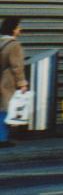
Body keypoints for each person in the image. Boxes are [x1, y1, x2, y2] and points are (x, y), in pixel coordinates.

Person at [0, 17, 29, 148]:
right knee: (5, 109)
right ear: (13, 29)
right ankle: (2, 138)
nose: (20, 29)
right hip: (6, 81)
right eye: (18, 27)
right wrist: (22, 83)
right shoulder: (14, 45)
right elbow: (17, 66)